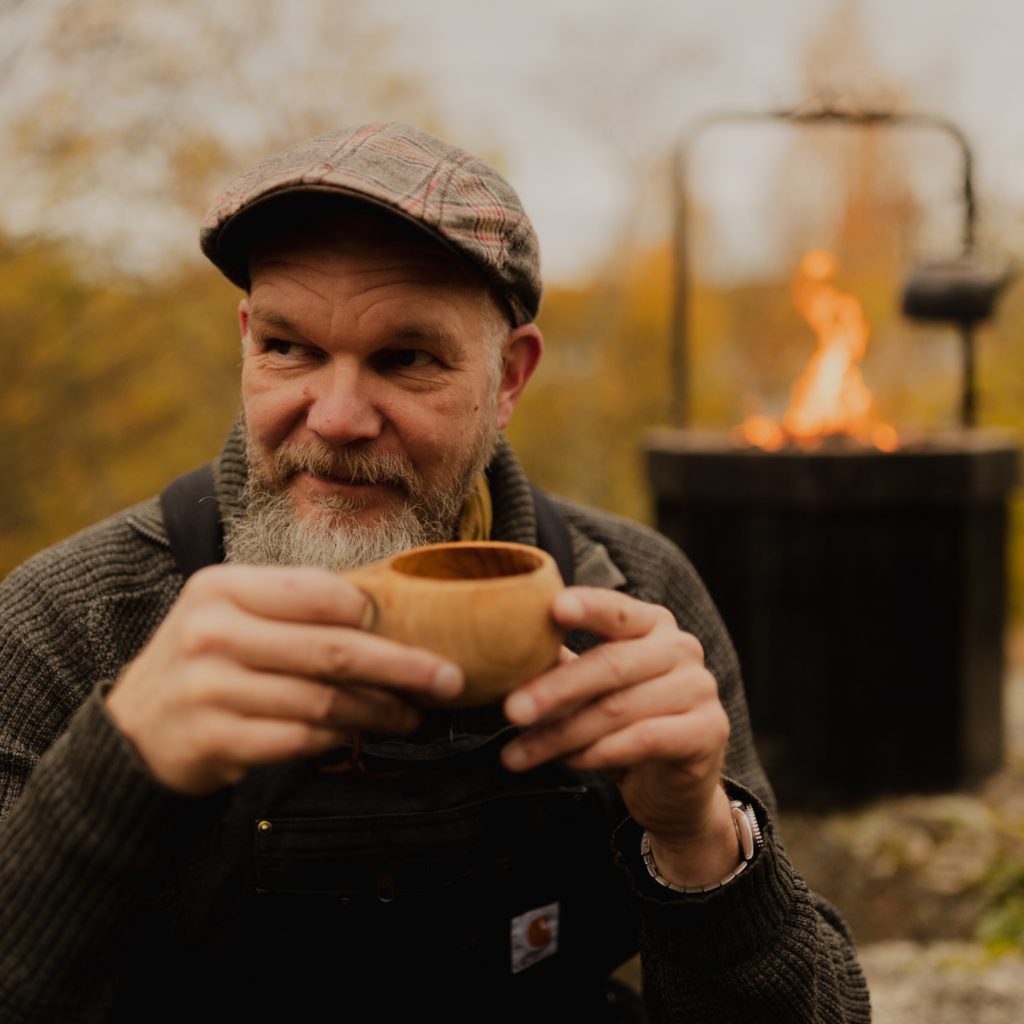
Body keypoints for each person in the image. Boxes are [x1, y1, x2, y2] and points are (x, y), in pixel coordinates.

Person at [0, 121, 870, 1022]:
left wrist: (697, 837)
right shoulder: (71, 624)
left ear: (509, 380)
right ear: (246, 337)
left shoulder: (631, 603)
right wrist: (115, 771)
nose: (335, 417)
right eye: (290, 348)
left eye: (405, 359)